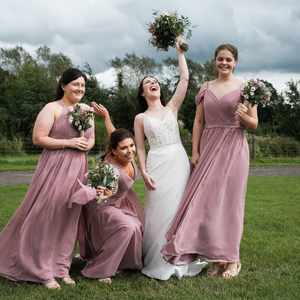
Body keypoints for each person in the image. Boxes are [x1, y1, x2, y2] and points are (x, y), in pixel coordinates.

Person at [162, 43, 258, 279]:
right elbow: (198, 123)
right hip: (209, 147)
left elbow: (254, 124)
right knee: (208, 204)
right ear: (215, 61)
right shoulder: (205, 87)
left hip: (234, 148)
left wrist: (243, 115)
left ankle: (232, 259)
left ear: (235, 62)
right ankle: (216, 258)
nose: (224, 63)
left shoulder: (247, 88)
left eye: (229, 60)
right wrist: (195, 151)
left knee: (231, 204)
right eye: (220, 59)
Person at [0, 68, 95, 289]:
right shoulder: (51, 108)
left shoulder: (86, 109)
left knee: (70, 217)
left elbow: (90, 139)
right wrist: (69, 143)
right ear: (63, 85)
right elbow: (38, 138)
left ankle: (62, 268)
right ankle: (43, 270)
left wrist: (85, 145)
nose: (80, 89)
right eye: (75, 84)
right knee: (48, 216)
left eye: (83, 85)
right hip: (54, 167)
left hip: (78, 168)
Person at [134, 37, 206, 280]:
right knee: (158, 209)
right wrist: (143, 172)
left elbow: (184, 79)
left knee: (180, 209)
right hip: (156, 163)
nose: (152, 83)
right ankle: (158, 259)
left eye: (154, 81)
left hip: (177, 160)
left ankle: (182, 257)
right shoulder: (140, 118)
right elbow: (140, 148)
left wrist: (180, 53)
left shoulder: (172, 107)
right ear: (142, 92)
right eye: (147, 82)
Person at [70, 106, 143, 284]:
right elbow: (91, 184)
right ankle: (101, 269)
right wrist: (100, 191)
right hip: (102, 206)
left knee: (137, 225)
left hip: (119, 204)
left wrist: (107, 117)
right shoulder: (108, 167)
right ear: (114, 151)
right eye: (124, 148)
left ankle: (125, 263)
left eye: (132, 145)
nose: (130, 151)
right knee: (127, 227)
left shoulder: (128, 156)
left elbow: (114, 134)